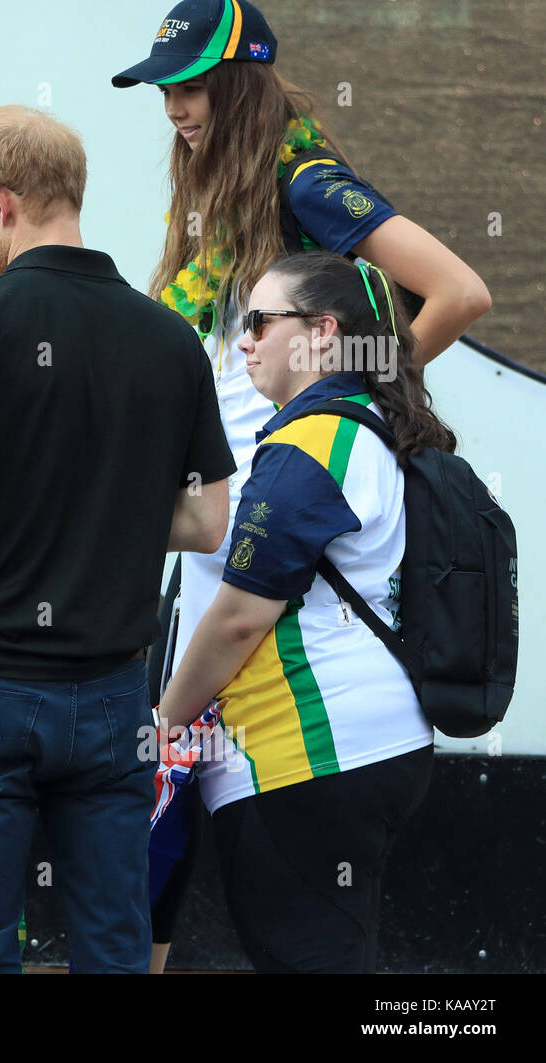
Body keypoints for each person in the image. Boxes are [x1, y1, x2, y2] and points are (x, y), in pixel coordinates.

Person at [112, 0, 491, 972]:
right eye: (162, 89)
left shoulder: (307, 184)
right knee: (161, 840)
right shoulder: (210, 210)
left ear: (239, 83)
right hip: (211, 554)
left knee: (268, 894)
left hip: (277, 569)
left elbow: (458, 291)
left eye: (189, 86)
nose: (172, 108)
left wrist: (356, 397)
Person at [0, 105, 236, 974]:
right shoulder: (170, 337)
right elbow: (210, 519)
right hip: (109, 700)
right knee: (114, 944)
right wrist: (112, 508)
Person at [158, 250, 448, 972]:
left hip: (309, 752)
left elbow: (238, 618)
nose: (244, 339)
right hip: (372, 743)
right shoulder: (368, 423)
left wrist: (161, 727)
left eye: (258, 321)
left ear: (322, 332)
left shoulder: (310, 443)